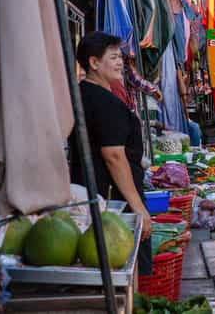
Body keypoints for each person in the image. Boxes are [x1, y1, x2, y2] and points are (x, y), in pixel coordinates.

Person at [69, 32, 153, 275]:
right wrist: (137, 207)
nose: (120, 63)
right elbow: (114, 157)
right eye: (114, 58)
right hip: (113, 200)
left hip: (91, 191)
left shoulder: (81, 93)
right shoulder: (106, 103)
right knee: (124, 265)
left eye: (121, 58)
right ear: (94, 63)